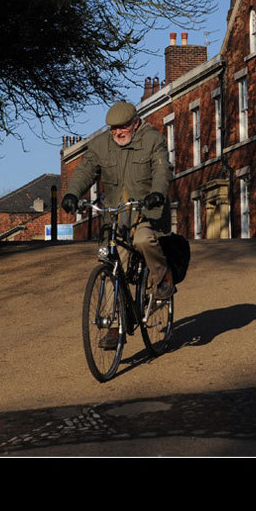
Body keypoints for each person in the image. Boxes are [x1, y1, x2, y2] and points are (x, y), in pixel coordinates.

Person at [61, 101, 175, 349]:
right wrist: (72, 193)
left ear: (135, 123)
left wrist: (157, 193)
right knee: (113, 266)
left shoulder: (152, 140)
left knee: (143, 240)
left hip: (146, 212)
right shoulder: (102, 145)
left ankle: (163, 276)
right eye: (112, 128)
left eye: (122, 127)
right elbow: (85, 170)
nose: (117, 133)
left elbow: (161, 170)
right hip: (114, 216)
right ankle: (114, 327)